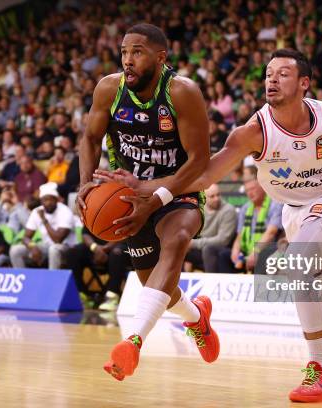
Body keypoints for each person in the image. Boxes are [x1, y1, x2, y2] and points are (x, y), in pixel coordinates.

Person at [97, 49, 322, 403]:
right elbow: (205, 177)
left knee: (298, 269)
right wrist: (148, 188)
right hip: (294, 210)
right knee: (311, 287)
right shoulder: (252, 132)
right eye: (268, 74)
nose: (272, 80)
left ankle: (321, 372)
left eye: (282, 74)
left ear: (304, 84)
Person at [76, 24, 217, 382]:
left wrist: (157, 196)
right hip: (128, 196)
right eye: (124, 52)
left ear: (160, 57)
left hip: (178, 187)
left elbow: (200, 160)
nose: (128, 60)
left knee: (177, 239)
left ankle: (132, 343)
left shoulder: (182, 93)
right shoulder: (110, 89)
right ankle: (195, 317)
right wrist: (85, 183)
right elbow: (90, 139)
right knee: (155, 283)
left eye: (137, 52)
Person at [204, 168, 282, 273]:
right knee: (223, 255)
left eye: (253, 189)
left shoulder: (275, 204)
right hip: (247, 251)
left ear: (263, 188)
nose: (250, 193)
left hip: (267, 250)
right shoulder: (245, 208)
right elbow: (240, 235)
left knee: (266, 256)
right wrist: (235, 251)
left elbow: (271, 233)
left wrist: (256, 252)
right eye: (247, 190)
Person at [10, 182, 75, 269]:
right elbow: (25, 237)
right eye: (45, 200)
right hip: (45, 246)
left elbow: (58, 240)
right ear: (41, 201)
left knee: (54, 249)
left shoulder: (65, 211)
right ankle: (24, 279)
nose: (48, 203)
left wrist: (44, 220)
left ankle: (53, 280)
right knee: (15, 250)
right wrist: (33, 247)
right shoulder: (36, 212)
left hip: (66, 248)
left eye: (50, 199)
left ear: (56, 199)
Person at [184, 184, 237, 272]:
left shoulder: (228, 210)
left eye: (218, 195)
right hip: (201, 248)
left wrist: (192, 243)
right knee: (179, 247)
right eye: (212, 196)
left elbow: (222, 240)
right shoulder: (199, 210)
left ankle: (210, 282)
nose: (216, 199)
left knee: (208, 249)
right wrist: (187, 244)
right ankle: (178, 281)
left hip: (221, 249)